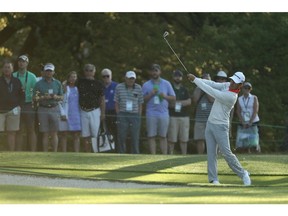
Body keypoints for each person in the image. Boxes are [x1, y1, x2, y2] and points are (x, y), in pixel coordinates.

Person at [187, 71, 251, 186]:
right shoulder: (227, 85)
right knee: (211, 154)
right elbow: (212, 84)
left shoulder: (231, 97)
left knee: (226, 153)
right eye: (232, 80)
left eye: (235, 82)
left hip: (221, 127)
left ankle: (243, 174)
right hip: (210, 123)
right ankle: (213, 179)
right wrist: (196, 79)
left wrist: (195, 81)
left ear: (240, 85)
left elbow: (212, 91)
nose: (231, 83)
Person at [142, 64, 176, 154]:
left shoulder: (166, 83)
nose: (154, 72)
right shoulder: (146, 85)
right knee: (151, 136)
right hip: (151, 113)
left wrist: (165, 96)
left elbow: (173, 98)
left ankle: (164, 156)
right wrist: (151, 94)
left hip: (164, 114)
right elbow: (141, 100)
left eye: (156, 70)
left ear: (160, 72)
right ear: (150, 72)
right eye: (153, 70)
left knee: (163, 136)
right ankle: (153, 156)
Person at [34, 63, 63, 152]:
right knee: (45, 133)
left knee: (54, 133)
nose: (49, 72)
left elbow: (62, 97)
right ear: (44, 72)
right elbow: (35, 98)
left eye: (50, 71)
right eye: (47, 71)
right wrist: (43, 97)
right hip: (43, 108)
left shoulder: (57, 83)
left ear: (53, 72)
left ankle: (55, 153)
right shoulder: (38, 84)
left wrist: (56, 97)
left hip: (55, 108)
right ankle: (45, 153)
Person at [77, 64, 105, 153]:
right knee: (85, 135)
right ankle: (87, 153)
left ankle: (95, 152)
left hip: (95, 111)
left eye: (91, 70)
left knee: (95, 134)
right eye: (87, 70)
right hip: (83, 111)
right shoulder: (80, 82)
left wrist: (103, 113)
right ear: (84, 71)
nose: (89, 72)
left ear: (94, 72)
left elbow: (102, 99)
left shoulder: (99, 83)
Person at [114, 71, 144, 154]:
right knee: (121, 136)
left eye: (133, 79)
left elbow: (140, 103)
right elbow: (116, 102)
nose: (131, 80)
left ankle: (135, 154)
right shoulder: (119, 87)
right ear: (125, 78)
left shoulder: (138, 88)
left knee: (135, 136)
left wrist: (139, 115)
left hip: (135, 115)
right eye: (129, 78)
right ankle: (121, 154)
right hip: (123, 114)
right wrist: (118, 114)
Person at [13, 55, 38, 151]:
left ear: (27, 63)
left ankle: (33, 152)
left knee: (31, 129)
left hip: (28, 104)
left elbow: (37, 91)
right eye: (19, 61)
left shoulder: (32, 76)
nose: (21, 63)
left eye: (23, 61)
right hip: (17, 105)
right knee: (19, 130)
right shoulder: (14, 75)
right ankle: (18, 152)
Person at [0, 61, 25, 151]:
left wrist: (20, 106)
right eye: (5, 67)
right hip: (1, 110)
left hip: (13, 109)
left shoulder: (17, 81)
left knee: (12, 132)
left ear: (12, 69)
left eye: (9, 67)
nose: (7, 69)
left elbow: (22, 95)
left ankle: (11, 152)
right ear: (2, 69)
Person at [167, 69, 191, 155]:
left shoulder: (185, 89)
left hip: (184, 117)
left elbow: (189, 101)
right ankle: (170, 156)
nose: (177, 78)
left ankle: (184, 156)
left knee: (184, 139)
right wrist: (182, 103)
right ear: (173, 77)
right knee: (171, 139)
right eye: (176, 76)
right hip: (172, 116)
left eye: (179, 76)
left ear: (182, 78)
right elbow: (168, 103)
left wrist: (177, 103)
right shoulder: (170, 88)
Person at [58, 71, 81, 152]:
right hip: (66, 114)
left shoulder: (78, 88)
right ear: (68, 78)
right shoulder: (64, 88)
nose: (73, 78)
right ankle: (64, 153)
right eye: (71, 76)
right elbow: (60, 102)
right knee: (64, 134)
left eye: (75, 77)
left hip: (76, 114)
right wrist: (62, 113)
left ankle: (76, 153)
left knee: (76, 135)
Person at [192, 73, 214, 154]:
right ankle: (200, 155)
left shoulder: (213, 88)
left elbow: (211, 99)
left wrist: (206, 88)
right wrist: (200, 86)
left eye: (208, 79)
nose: (206, 81)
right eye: (204, 79)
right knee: (200, 139)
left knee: (211, 139)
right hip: (200, 118)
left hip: (211, 119)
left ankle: (211, 155)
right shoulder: (198, 88)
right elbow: (195, 100)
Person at [236, 82, 260, 153]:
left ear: (250, 89)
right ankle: (247, 153)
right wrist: (242, 121)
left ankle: (258, 152)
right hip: (243, 121)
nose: (246, 89)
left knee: (254, 138)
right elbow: (238, 111)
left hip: (253, 120)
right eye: (245, 88)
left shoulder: (254, 98)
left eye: (248, 88)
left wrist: (250, 122)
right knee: (245, 138)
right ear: (242, 89)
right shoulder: (239, 99)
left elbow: (255, 110)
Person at [101, 68, 118, 151]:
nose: (106, 78)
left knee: (116, 132)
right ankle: (107, 150)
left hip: (114, 112)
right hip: (104, 112)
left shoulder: (116, 86)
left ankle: (117, 150)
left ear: (111, 76)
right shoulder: (100, 87)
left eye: (108, 76)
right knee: (105, 132)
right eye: (104, 76)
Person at [214, 70, 234, 138]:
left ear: (225, 80)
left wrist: (230, 123)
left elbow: (232, 110)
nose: (220, 80)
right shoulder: (212, 89)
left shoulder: (229, 91)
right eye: (218, 78)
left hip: (224, 121)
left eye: (222, 79)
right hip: (213, 120)